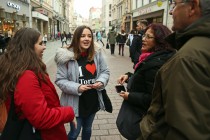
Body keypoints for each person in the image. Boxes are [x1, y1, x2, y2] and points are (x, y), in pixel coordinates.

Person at [140, 0, 210, 140]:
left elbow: (187, 130)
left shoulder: (187, 58)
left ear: (192, 7)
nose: (171, 11)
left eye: (175, 5)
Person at [0, 28, 75, 140]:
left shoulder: (23, 68)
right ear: (28, 47)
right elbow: (41, 118)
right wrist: (68, 112)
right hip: (43, 135)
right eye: (40, 43)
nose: (44, 47)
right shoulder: (26, 76)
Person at [117, 23, 176, 139]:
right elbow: (145, 80)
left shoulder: (155, 64)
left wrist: (130, 96)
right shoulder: (154, 57)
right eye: (144, 35)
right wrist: (129, 77)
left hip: (145, 120)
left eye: (149, 37)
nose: (143, 39)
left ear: (160, 41)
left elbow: (153, 99)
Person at [54, 25, 110, 140]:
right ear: (76, 38)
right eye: (83, 36)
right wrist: (78, 87)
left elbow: (105, 71)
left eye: (89, 36)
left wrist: (100, 81)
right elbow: (60, 80)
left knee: (88, 129)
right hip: (75, 102)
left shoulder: (96, 53)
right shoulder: (66, 56)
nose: (86, 39)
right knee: (75, 133)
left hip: (92, 99)